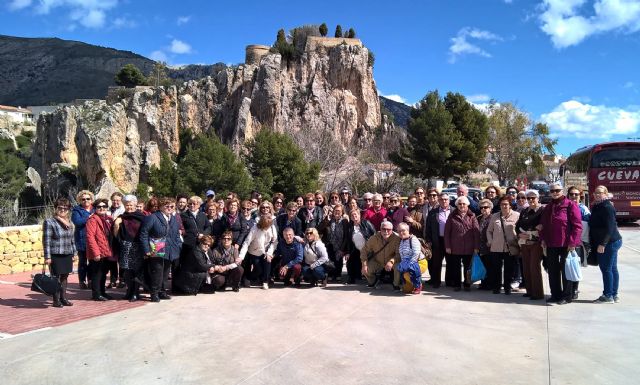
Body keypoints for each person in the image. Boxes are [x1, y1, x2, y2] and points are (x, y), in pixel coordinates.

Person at [539, 183, 582, 305]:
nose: (555, 192)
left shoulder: (570, 205)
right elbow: (543, 225)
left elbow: (577, 226)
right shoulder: (548, 206)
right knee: (552, 270)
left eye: (557, 190)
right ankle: (555, 295)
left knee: (566, 270)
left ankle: (567, 296)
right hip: (551, 243)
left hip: (566, 244)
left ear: (562, 191)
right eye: (552, 190)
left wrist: (573, 242)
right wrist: (542, 239)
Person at [139, 197, 183, 302]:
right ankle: (154, 293)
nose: (169, 208)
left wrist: (178, 245)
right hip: (156, 247)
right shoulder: (152, 217)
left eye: (172, 206)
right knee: (157, 271)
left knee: (165, 272)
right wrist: (146, 250)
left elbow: (177, 234)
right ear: (161, 207)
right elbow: (143, 234)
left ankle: (162, 291)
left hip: (170, 249)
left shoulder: (173, 218)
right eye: (167, 206)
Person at [589, 185, 623, 304]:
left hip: (609, 242)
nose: (598, 194)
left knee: (606, 269)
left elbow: (610, 227)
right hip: (610, 241)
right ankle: (614, 294)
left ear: (605, 193)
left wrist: (602, 244)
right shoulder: (598, 205)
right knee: (612, 268)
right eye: (596, 192)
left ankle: (608, 295)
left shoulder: (607, 207)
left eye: (600, 193)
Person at [42, 197, 76, 307]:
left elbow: (72, 239)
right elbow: (46, 240)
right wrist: (47, 257)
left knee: (65, 277)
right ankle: (56, 300)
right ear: (55, 208)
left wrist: (74, 253)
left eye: (65, 208)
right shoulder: (49, 222)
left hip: (67, 253)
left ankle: (64, 298)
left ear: (68, 210)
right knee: (55, 277)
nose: (62, 210)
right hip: (55, 254)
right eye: (60, 207)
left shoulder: (69, 222)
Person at [113, 195, 146, 302]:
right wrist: (116, 224)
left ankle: (136, 293)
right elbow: (115, 234)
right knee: (127, 271)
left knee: (137, 271)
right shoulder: (121, 217)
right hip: (125, 246)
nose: (129, 207)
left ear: (135, 205)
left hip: (138, 246)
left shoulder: (142, 217)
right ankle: (129, 291)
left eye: (131, 205)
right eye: (127, 205)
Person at [444, 196, 480, 291]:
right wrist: (448, 246)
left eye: (464, 203)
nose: (462, 205)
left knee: (468, 267)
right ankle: (457, 284)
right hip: (455, 246)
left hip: (469, 247)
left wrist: (476, 246)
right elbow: (447, 233)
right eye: (459, 204)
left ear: (467, 205)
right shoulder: (452, 216)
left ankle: (467, 284)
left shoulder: (472, 216)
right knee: (456, 267)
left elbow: (476, 232)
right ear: (457, 205)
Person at [239, 202, 278, 290]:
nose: (266, 228)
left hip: (266, 250)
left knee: (268, 261)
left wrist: (269, 252)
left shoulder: (272, 227)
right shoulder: (255, 228)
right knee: (258, 269)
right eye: (265, 226)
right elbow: (246, 243)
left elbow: (274, 241)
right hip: (255, 251)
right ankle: (249, 277)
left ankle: (265, 281)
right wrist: (241, 256)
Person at [486, 195, 520, 295]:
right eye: (502, 204)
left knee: (509, 269)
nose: (504, 206)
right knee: (496, 268)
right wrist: (490, 241)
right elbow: (489, 231)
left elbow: (519, 230)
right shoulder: (494, 216)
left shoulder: (517, 215)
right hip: (496, 247)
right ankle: (496, 287)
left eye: (506, 204)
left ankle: (507, 287)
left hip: (511, 247)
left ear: (510, 205)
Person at [515, 190, 544, 300]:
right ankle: (529, 291)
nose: (531, 200)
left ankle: (537, 293)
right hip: (524, 243)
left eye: (533, 198)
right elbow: (518, 226)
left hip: (536, 243)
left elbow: (543, 227)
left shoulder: (542, 210)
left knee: (534, 268)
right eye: (529, 198)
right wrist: (520, 234)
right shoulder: (524, 211)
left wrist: (532, 236)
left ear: (538, 198)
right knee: (526, 267)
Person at [86, 198, 114, 301]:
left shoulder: (108, 219)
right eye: (99, 207)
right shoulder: (92, 220)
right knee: (97, 274)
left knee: (103, 273)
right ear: (95, 208)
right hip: (97, 252)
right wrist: (96, 253)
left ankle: (103, 292)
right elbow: (90, 237)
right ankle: (96, 294)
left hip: (106, 251)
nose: (102, 208)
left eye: (104, 206)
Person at [360, 220, 400, 289]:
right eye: (383, 229)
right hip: (378, 261)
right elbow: (364, 251)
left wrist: (391, 261)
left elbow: (399, 254)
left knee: (398, 267)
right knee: (365, 270)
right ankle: (372, 281)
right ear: (380, 229)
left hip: (391, 261)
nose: (386, 231)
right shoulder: (374, 238)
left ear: (392, 230)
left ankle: (396, 284)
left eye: (388, 230)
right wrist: (364, 264)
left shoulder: (397, 238)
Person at [567, 185, 591, 299]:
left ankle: (575, 290)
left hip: (578, 243)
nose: (574, 196)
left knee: (575, 266)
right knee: (566, 266)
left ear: (580, 196)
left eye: (576, 194)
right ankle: (568, 290)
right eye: (571, 194)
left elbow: (585, 228)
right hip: (565, 242)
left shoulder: (583, 209)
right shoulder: (565, 207)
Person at [425, 193, 452, 288]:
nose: (444, 201)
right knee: (436, 262)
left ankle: (449, 281)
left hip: (450, 241)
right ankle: (436, 281)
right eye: (441, 199)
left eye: (445, 199)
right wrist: (428, 240)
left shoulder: (454, 211)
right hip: (437, 240)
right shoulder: (433, 212)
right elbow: (428, 227)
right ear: (438, 201)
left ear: (449, 200)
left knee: (450, 261)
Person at [343, 209, 375, 284]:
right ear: (350, 217)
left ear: (359, 215)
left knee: (368, 264)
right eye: (352, 215)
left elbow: (374, 234)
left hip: (367, 248)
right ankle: (351, 278)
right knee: (350, 261)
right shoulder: (350, 226)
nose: (354, 216)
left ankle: (371, 278)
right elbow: (348, 241)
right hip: (356, 249)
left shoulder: (366, 223)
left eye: (355, 214)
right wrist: (347, 252)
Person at [318, 203, 348, 281]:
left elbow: (346, 235)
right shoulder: (329, 220)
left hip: (340, 244)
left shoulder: (344, 221)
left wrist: (343, 248)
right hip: (330, 244)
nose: (337, 212)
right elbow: (320, 229)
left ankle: (338, 274)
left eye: (339, 211)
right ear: (333, 211)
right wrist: (326, 220)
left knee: (339, 261)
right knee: (330, 260)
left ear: (342, 212)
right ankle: (331, 274)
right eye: (335, 210)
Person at [71, 190, 93, 290]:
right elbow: (77, 222)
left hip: (93, 239)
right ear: (80, 200)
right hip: (81, 239)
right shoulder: (76, 210)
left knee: (93, 261)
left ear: (91, 199)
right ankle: (82, 281)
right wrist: (89, 218)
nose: (85, 201)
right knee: (83, 261)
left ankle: (91, 280)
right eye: (83, 199)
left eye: (88, 199)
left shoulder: (95, 209)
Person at [396, 223, 423, 294]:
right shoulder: (402, 241)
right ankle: (411, 284)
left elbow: (416, 253)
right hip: (407, 261)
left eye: (403, 230)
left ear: (408, 230)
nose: (401, 233)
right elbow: (402, 254)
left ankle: (418, 284)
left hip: (418, 261)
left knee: (408, 273)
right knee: (407, 290)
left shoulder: (413, 239)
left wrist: (409, 265)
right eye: (399, 231)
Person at [108, 191, 125, 288]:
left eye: (118, 200)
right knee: (112, 259)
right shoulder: (108, 210)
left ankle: (122, 280)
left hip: (120, 237)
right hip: (110, 238)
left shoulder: (123, 210)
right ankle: (113, 280)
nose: (116, 202)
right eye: (114, 200)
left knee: (121, 259)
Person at [476, 199, 494, 290]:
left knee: (490, 265)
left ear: (490, 208)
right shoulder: (478, 218)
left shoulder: (493, 218)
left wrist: (491, 241)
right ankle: (483, 283)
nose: (483, 209)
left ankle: (490, 284)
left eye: (486, 207)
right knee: (482, 265)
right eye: (482, 207)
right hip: (480, 245)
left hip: (490, 245)